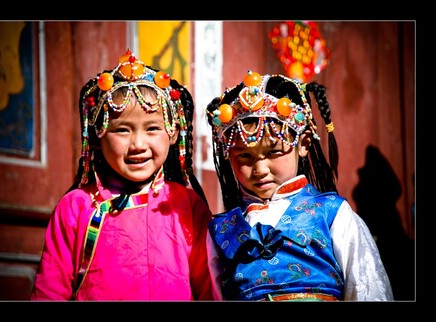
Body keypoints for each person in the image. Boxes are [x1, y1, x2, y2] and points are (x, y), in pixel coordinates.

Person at [30, 49, 213, 301]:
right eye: (122, 130)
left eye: (152, 129)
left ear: (173, 133)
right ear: (97, 137)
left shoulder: (186, 207)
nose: (137, 144)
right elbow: (49, 293)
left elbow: (209, 291)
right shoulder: (76, 207)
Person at [205, 71, 393, 301]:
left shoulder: (332, 214)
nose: (260, 169)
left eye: (273, 152)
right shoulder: (221, 230)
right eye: (244, 156)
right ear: (228, 155)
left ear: (303, 144)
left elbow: (368, 291)